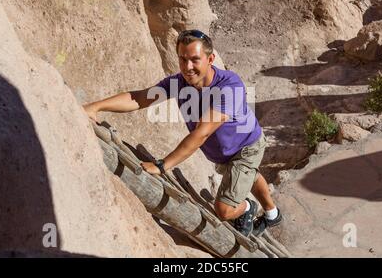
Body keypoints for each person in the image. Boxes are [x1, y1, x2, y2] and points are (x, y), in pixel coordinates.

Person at [83, 29, 282, 236]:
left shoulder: (229, 87)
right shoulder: (178, 83)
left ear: (210, 58)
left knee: (224, 209)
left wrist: (162, 165)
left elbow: (201, 133)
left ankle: (247, 208)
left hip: (246, 146)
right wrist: (95, 107)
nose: (187, 67)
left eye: (195, 60)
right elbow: (139, 98)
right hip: (226, 151)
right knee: (247, 173)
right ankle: (272, 214)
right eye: (182, 59)